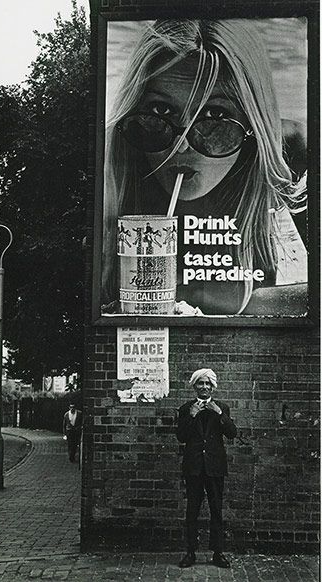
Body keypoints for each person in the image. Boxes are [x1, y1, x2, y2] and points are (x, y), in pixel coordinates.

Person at [102, 19, 307, 316]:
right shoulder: (109, 167)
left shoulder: (294, 163)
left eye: (215, 113)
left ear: (253, 124)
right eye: (161, 110)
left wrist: (224, 304)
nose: (181, 146)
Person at [176, 368, 237, 568]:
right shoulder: (186, 408)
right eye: (200, 383)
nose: (204, 387)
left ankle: (218, 553)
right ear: (195, 386)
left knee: (216, 510)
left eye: (208, 383)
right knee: (192, 510)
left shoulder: (222, 407)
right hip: (193, 467)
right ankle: (190, 552)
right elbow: (181, 437)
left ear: (213, 386)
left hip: (214, 467)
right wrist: (192, 415)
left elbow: (232, 434)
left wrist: (220, 414)